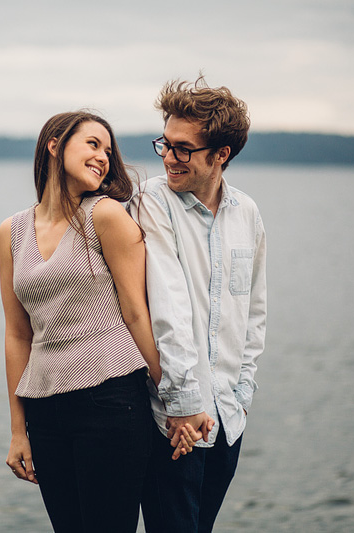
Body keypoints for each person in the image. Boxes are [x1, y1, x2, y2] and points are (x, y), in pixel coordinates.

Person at [0, 110, 181, 532]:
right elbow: (16, 333)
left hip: (112, 402)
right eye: (93, 144)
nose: (103, 157)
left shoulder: (106, 215)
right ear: (55, 145)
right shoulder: (12, 232)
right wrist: (17, 429)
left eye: (109, 151)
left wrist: (172, 398)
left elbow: (137, 313)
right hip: (44, 412)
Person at [130, 76, 267, 533]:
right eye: (164, 144)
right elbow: (167, 308)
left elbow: (255, 315)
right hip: (174, 421)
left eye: (183, 148)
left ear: (221, 154)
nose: (169, 157)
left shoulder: (247, 213)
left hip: (227, 419)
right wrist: (184, 406)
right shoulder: (153, 200)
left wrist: (242, 397)